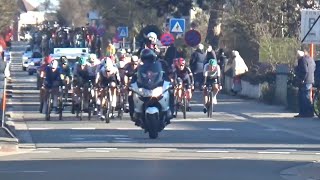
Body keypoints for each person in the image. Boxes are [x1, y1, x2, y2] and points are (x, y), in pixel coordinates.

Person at [294, 50, 316, 118]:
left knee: (303, 98)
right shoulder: (310, 59)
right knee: (307, 97)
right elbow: (314, 67)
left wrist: (302, 79)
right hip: (310, 80)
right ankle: (309, 113)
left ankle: (304, 113)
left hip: (305, 81)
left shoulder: (303, 60)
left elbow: (305, 71)